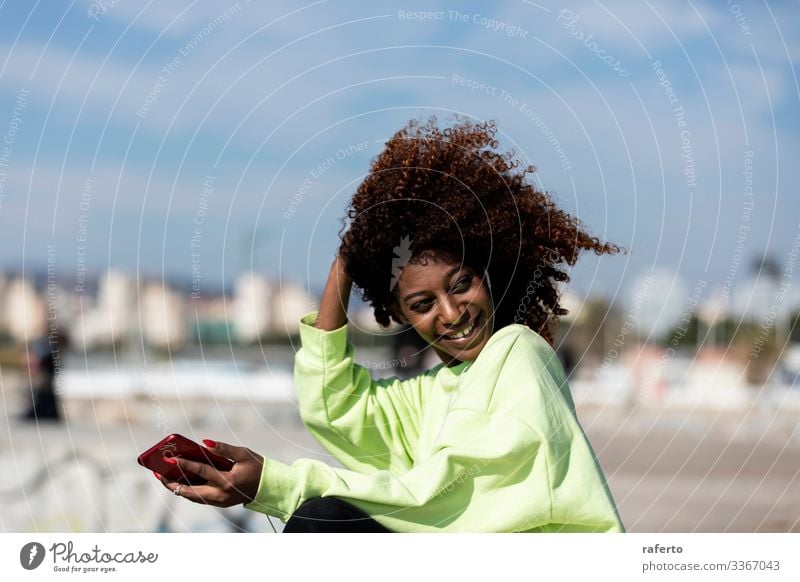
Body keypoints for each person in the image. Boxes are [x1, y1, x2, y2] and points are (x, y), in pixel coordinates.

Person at [156, 117, 626, 533]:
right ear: (400, 315)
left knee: (327, 521)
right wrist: (351, 254)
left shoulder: (520, 355)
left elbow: (448, 497)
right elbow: (335, 406)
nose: (451, 311)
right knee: (326, 519)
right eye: (422, 303)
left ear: (489, 272)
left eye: (461, 283)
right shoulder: (432, 391)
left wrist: (273, 485)